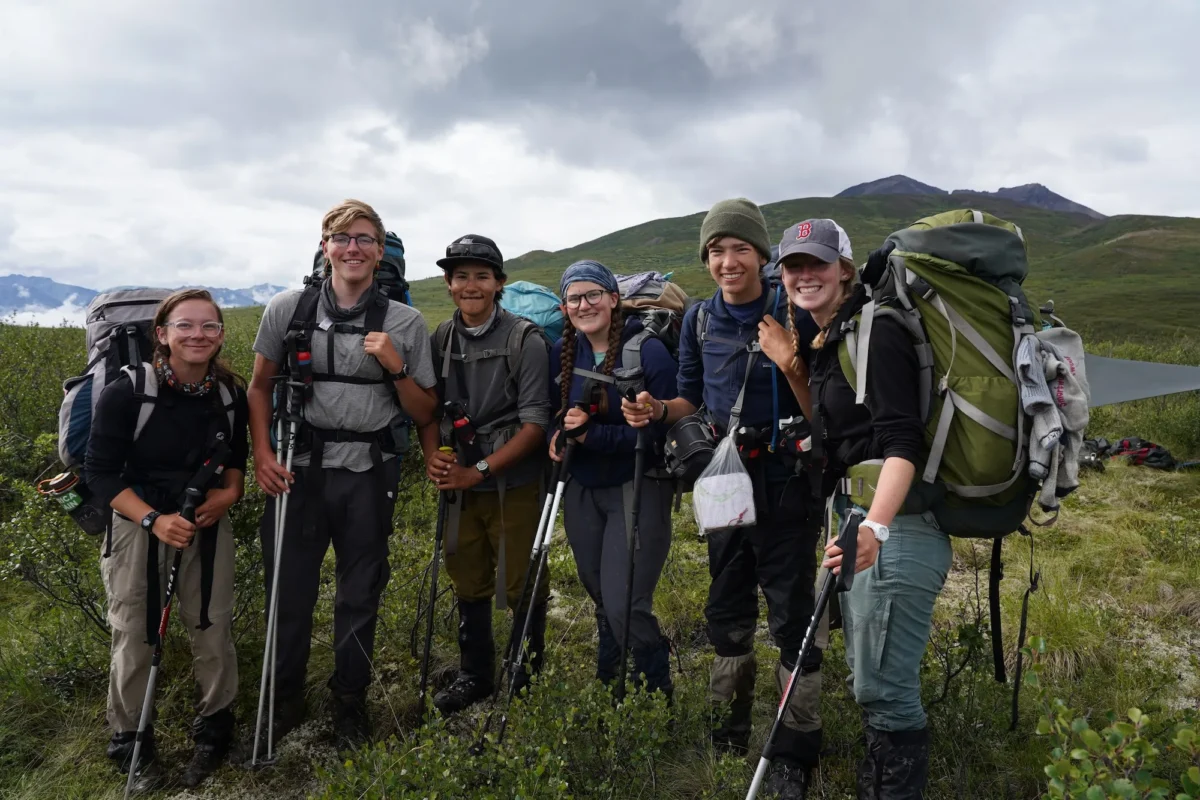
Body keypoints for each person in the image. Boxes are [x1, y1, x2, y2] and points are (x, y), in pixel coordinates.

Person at [623, 198, 823, 798]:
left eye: (740, 249)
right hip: (722, 477)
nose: (727, 261)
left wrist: (791, 362)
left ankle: (794, 748)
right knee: (726, 601)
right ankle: (726, 727)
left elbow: (826, 409)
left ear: (763, 256)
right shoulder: (700, 321)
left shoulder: (797, 313)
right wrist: (658, 411)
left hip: (788, 480)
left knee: (792, 614)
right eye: (716, 251)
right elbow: (689, 398)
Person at [248, 199, 438, 750]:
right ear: (325, 245)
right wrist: (261, 453)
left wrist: (394, 365)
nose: (352, 248)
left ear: (380, 253)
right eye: (341, 238)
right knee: (289, 589)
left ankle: (348, 702)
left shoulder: (404, 322)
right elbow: (259, 388)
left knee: (359, 593)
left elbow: (425, 410)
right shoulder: (288, 310)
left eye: (364, 239)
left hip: (368, 473)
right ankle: (284, 699)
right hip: (296, 472)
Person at [782, 218, 941, 798]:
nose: (805, 275)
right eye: (794, 265)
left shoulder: (878, 331)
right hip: (858, 516)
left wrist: (876, 526)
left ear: (845, 268)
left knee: (885, 688)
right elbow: (835, 427)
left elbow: (904, 442)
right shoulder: (831, 335)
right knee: (871, 678)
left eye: (818, 263)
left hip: (898, 524)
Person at [86, 289, 248, 791]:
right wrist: (154, 519)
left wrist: (229, 495)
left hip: (204, 521)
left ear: (221, 335)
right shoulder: (128, 391)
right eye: (185, 326)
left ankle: (216, 727)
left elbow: (235, 458)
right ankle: (131, 739)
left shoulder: (228, 392)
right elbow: (101, 473)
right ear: (162, 334)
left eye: (209, 326)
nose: (198, 335)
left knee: (211, 623)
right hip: (139, 522)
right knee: (135, 630)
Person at [420, 234, 552, 715]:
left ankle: (525, 675)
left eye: (481, 275)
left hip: (513, 482)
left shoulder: (526, 340)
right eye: (461, 276)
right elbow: (430, 411)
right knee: (467, 574)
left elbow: (537, 424)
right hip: (461, 483)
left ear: (500, 283)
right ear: (449, 284)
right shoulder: (441, 339)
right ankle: (476, 673)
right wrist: (435, 457)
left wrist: (478, 470)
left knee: (520, 580)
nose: (470, 285)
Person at [549, 260, 678, 697]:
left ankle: (656, 697)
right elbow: (562, 414)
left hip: (638, 486)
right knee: (602, 597)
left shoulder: (648, 352)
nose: (584, 305)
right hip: (583, 489)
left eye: (593, 295)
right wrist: (560, 435)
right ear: (564, 307)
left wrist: (590, 434)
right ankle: (612, 688)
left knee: (627, 601)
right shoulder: (565, 353)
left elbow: (662, 432)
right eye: (574, 298)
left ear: (613, 299)